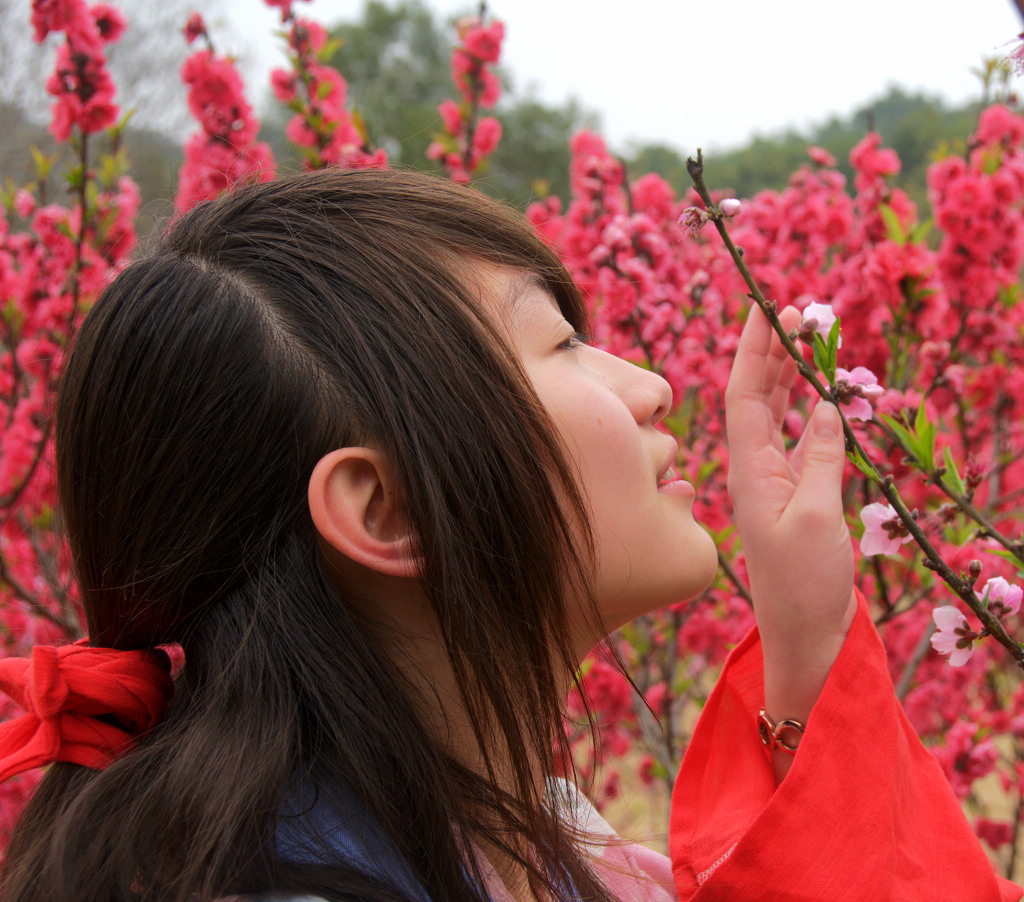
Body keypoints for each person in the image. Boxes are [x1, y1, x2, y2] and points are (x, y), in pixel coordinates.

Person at [0, 168, 1017, 902]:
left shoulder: (538, 846)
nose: (653, 385)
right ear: (386, 512)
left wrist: (808, 651)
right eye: (561, 340)